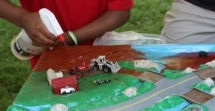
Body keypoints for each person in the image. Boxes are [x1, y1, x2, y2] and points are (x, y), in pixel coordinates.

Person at [0, 0, 134, 67]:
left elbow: (120, 12)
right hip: (48, 59)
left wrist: (70, 37)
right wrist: (22, 17)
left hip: (101, 55)